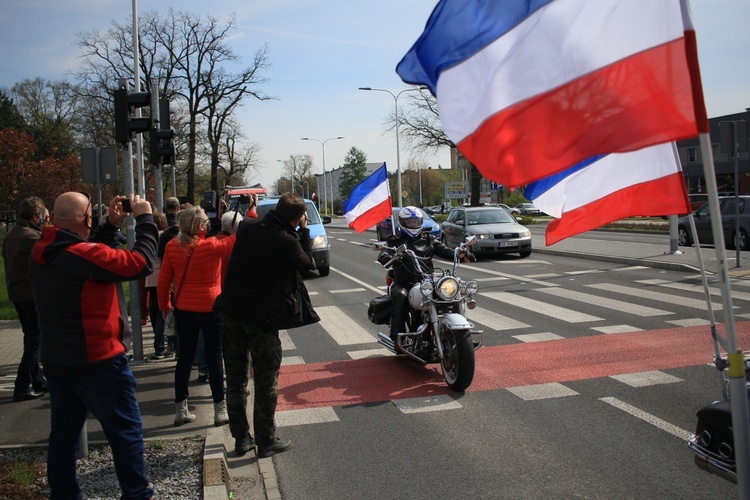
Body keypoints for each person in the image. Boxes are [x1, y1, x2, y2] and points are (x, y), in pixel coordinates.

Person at [29, 192, 157, 500]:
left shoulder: (43, 250)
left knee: (63, 438)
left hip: (60, 362)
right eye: (91, 213)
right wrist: (145, 219)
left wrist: (109, 225)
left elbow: (91, 256)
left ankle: (64, 495)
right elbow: (139, 263)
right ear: (85, 218)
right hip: (99, 361)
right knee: (125, 433)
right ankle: (137, 494)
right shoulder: (80, 254)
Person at [214, 192, 314, 458]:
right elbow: (307, 264)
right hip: (261, 318)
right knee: (266, 382)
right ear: (296, 218)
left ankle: (241, 440)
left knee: (235, 381)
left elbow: (251, 220)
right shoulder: (286, 239)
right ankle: (266, 441)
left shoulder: (247, 227)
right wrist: (304, 231)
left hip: (231, 312)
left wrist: (255, 210)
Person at [157, 206, 235, 427]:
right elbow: (235, 239)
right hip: (210, 308)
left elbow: (163, 281)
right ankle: (219, 409)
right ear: (201, 226)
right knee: (214, 356)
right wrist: (250, 213)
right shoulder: (211, 246)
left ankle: (181, 408)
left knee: (184, 358)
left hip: (184, 309)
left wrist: (165, 306)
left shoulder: (172, 246)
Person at [377, 206, 473, 343]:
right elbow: (385, 252)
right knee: (400, 296)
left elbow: (445, 250)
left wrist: (460, 253)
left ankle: (462, 334)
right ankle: (396, 337)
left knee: (452, 294)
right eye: (409, 222)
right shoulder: (395, 240)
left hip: (427, 282)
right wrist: (386, 256)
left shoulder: (429, 239)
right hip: (404, 283)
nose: (413, 224)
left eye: (415, 222)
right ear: (402, 223)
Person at [2, 196, 48, 401]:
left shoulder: (11, 235)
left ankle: (38, 380)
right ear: (36, 216)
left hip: (17, 293)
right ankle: (22, 385)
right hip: (31, 294)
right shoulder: (32, 237)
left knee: (30, 336)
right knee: (35, 342)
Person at [146, 212, 173, 359]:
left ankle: (159, 341)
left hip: (150, 274)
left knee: (155, 307)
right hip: (162, 273)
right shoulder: (167, 236)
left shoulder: (149, 236)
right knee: (164, 311)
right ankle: (164, 343)